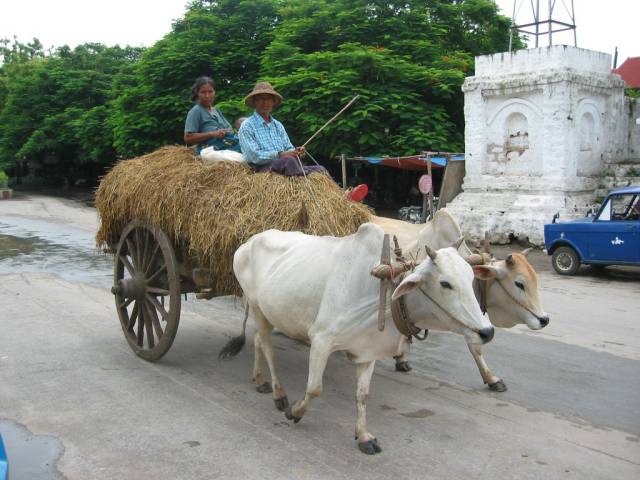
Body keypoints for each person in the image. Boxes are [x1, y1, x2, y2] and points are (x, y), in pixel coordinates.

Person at [238, 82, 327, 177]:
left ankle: (304, 176)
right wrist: (280, 155)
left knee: (321, 169)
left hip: (286, 164)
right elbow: (253, 156)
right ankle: (301, 182)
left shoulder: (278, 125)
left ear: (273, 102)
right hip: (261, 169)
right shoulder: (247, 125)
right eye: (261, 99)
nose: (265, 102)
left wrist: (296, 152)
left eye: (268, 99)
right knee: (289, 161)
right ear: (255, 102)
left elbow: (288, 147)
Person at [184, 76, 241, 155]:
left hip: (227, 143)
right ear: (197, 94)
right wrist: (212, 134)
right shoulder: (196, 111)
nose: (207, 96)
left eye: (210, 91)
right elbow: (188, 138)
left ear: (215, 92)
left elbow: (229, 128)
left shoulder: (216, 110)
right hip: (210, 149)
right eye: (203, 92)